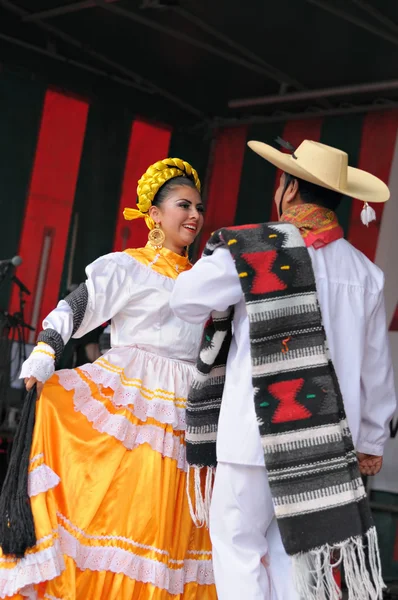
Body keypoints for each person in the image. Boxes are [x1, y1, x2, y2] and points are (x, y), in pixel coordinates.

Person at [170, 139, 397, 600]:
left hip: (255, 432)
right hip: (325, 444)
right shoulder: (366, 274)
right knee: (296, 560)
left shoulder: (253, 250)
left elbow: (185, 299)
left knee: (237, 545)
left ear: (289, 191)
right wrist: (372, 440)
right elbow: (377, 370)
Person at [0, 158, 216, 599]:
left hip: (187, 409)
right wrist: (45, 351)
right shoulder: (129, 266)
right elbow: (78, 305)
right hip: (134, 402)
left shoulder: (207, 280)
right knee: (125, 511)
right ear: (154, 214)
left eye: (198, 206)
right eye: (183, 205)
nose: (194, 215)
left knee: (169, 522)